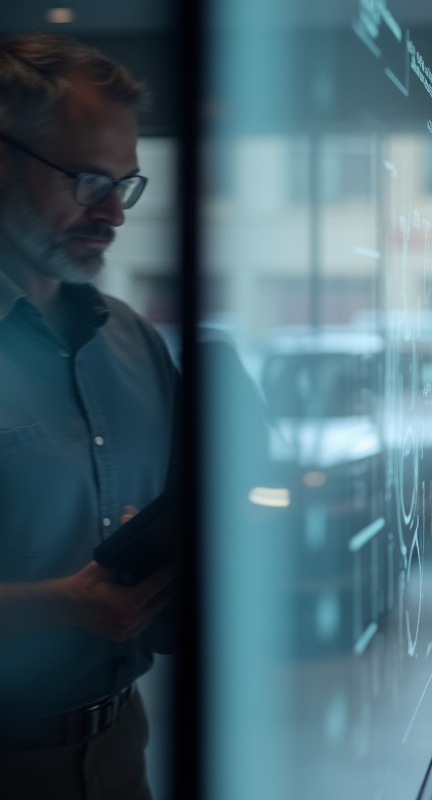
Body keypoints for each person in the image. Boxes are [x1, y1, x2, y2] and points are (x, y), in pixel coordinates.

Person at [0, 33, 175, 799]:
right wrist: (60, 607)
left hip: (119, 745)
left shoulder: (133, 341)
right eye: (88, 180)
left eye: (125, 185)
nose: (113, 213)